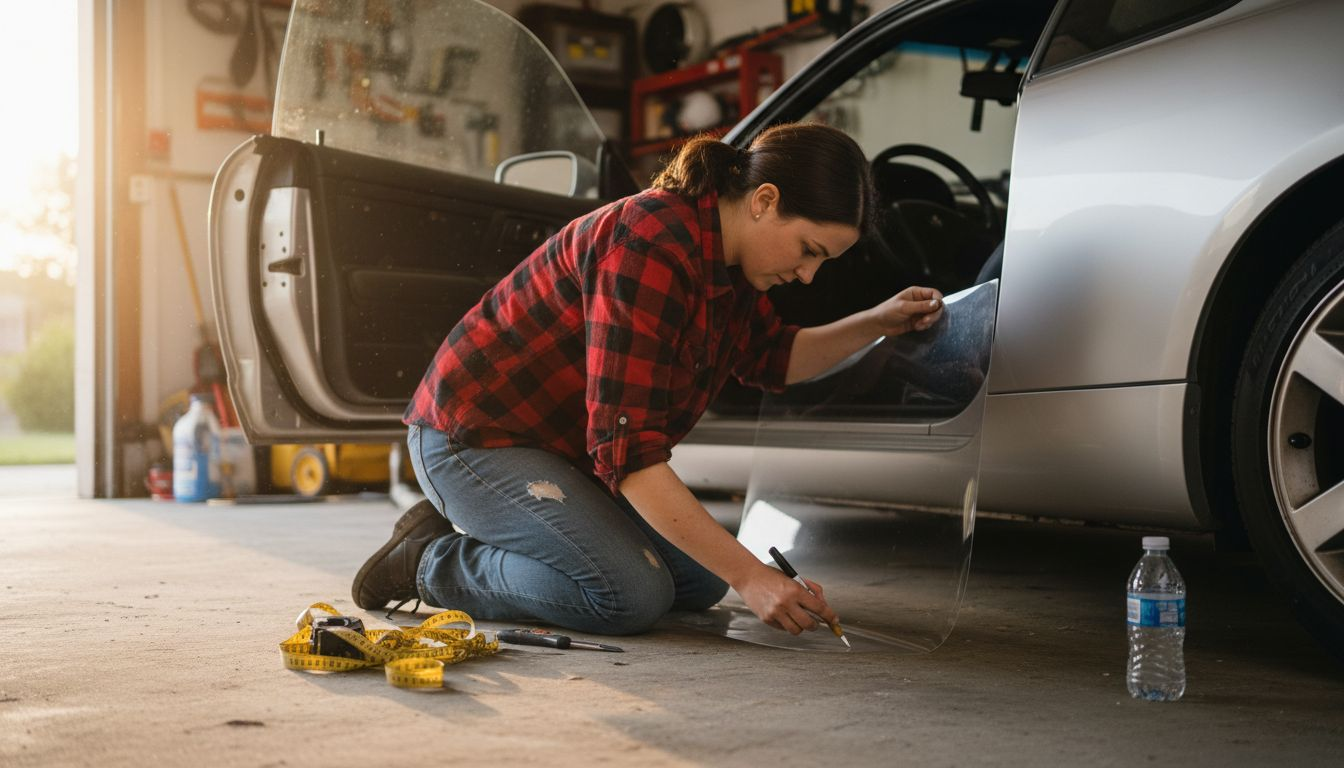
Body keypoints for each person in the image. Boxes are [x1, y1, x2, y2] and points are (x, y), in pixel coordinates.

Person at [351, 122, 945, 637]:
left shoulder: (735, 266)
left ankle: (508, 536)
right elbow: (629, 455)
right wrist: (754, 577)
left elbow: (775, 358)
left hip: (559, 454)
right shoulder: (651, 243)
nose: (809, 276)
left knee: (702, 579)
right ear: (764, 200)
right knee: (627, 597)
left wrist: (879, 323)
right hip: (472, 439)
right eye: (809, 250)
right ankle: (430, 560)